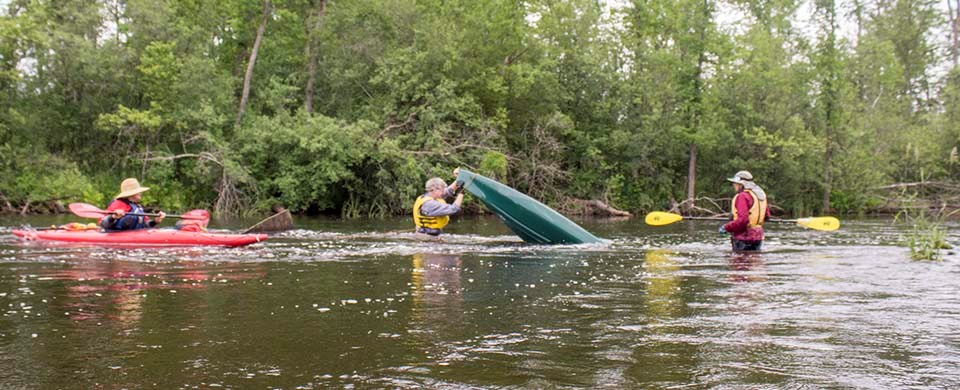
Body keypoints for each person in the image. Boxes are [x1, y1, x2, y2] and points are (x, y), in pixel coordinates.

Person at [719, 170, 770, 251]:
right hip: (758, 237)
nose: (733, 185)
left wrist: (726, 227)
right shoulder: (759, 195)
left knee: (741, 262)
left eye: (735, 183)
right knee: (755, 261)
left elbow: (742, 221)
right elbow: (767, 216)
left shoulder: (742, 196)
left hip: (743, 238)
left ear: (741, 184)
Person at [99, 178, 165, 231]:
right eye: (138, 192)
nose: (140, 193)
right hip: (116, 239)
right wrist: (113, 217)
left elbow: (145, 225)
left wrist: (155, 221)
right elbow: (103, 224)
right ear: (131, 194)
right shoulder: (118, 204)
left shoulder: (137, 207)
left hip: (134, 237)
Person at [413, 168, 464, 236]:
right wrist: (461, 192)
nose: (443, 191)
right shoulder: (430, 204)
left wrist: (459, 179)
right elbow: (454, 209)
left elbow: (449, 191)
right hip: (427, 237)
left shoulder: (430, 196)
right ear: (433, 189)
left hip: (429, 235)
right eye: (442, 189)